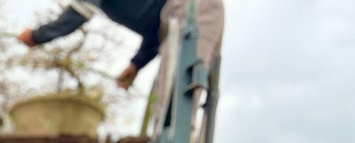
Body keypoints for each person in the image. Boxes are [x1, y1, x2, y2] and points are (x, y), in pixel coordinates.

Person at [17, 0, 224, 91]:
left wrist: (37, 36)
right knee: (170, 97)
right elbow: (155, 30)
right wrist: (136, 64)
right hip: (177, 17)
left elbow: (80, 12)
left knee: (178, 93)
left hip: (192, 10)